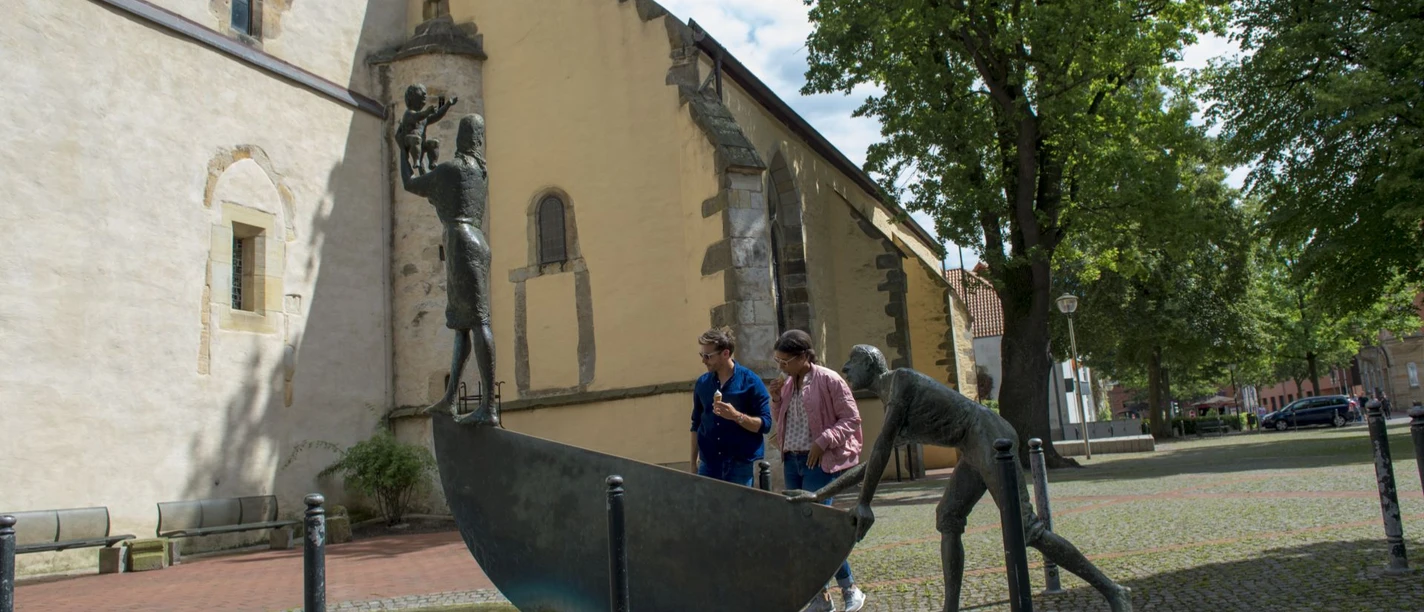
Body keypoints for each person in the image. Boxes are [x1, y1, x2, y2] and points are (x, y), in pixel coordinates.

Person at [787, 345, 1133, 612]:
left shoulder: (901, 382)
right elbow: (874, 461)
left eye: (853, 361)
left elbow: (878, 454)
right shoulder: (891, 397)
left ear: (871, 365)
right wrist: (821, 496)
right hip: (971, 443)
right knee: (948, 518)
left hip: (986, 434)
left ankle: (1113, 590)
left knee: (1027, 529)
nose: (846, 368)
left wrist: (864, 502)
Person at [401, 113, 497, 427]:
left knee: (478, 321)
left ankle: (488, 408)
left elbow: (412, 183)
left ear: (461, 137)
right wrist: (428, 158)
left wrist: (406, 150)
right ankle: (451, 399)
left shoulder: (454, 169)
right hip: (477, 240)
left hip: (460, 241)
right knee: (462, 324)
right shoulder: (479, 172)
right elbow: (440, 191)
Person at [770, 330, 867, 612]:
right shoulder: (788, 384)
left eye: (785, 361)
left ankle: (849, 588)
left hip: (819, 463)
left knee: (817, 526)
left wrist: (823, 442)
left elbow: (851, 419)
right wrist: (776, 400)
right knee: (803, 529)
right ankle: (823, 598)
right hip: (793, 460)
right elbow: (784, 423)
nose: (781, 367)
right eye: (778, 361)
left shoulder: (829, 379)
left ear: (803, 356)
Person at [690, 329, 772, 486]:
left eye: (708, 356)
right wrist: (693, 464)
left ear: (725, 353)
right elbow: (696, 424)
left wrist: (736, 416)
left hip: (739, 465)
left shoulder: (751, 382)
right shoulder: (702, 383)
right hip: (708, 464)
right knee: (707, 510)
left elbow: (766, 425)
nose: (704, 361)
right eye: (702, 355)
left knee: (739, 510)